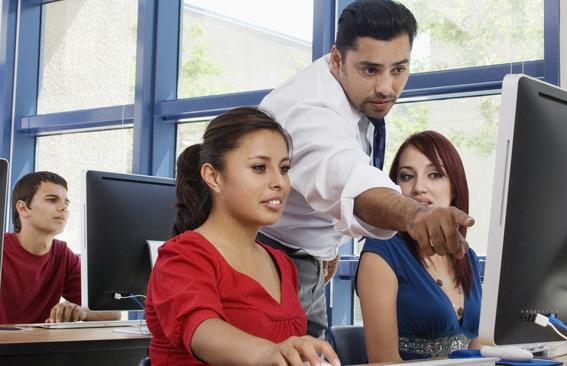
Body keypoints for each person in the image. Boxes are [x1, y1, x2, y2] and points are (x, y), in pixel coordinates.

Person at [258, 0, 474, 337]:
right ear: (336, 59)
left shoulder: (354, 92)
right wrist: (416, 216)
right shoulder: (309, 110)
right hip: (267, 263)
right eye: (370, 70)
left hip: (308, 257)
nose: (386, 87)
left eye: (399, 69)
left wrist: (328, 246)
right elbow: (351, 181)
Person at [144, 107, 339, 366]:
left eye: (284, 168)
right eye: (259, 167)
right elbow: (202, 330)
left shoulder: (282, 263)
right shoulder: (183, 256)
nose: (279, 182)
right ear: (213, 176)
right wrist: (268, 353)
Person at [356, 130, 482, 362]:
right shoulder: (382, 253)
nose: (418, 188)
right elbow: (384, 362)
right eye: (406, 176)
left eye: (434, 175)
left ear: (455, 186)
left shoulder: (468, 257)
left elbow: (479, 347)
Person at [0, 171, 120, 324]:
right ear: (23, 209)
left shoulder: (62, 254)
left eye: (66, 202)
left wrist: (81, 312)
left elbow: (112, 312)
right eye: (52, 200)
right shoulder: (2, 247)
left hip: (39, 346)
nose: (64, 208)